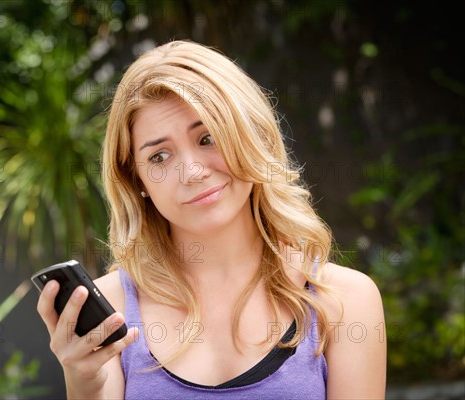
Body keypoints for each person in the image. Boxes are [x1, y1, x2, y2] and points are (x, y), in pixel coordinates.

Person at [37, 40, 386, 399]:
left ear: (251, 135)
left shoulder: (345, 301)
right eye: (159, 157)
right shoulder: (110, 310)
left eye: (207, 138)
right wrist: (84, 383)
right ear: (136, 179)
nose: (191, 171)